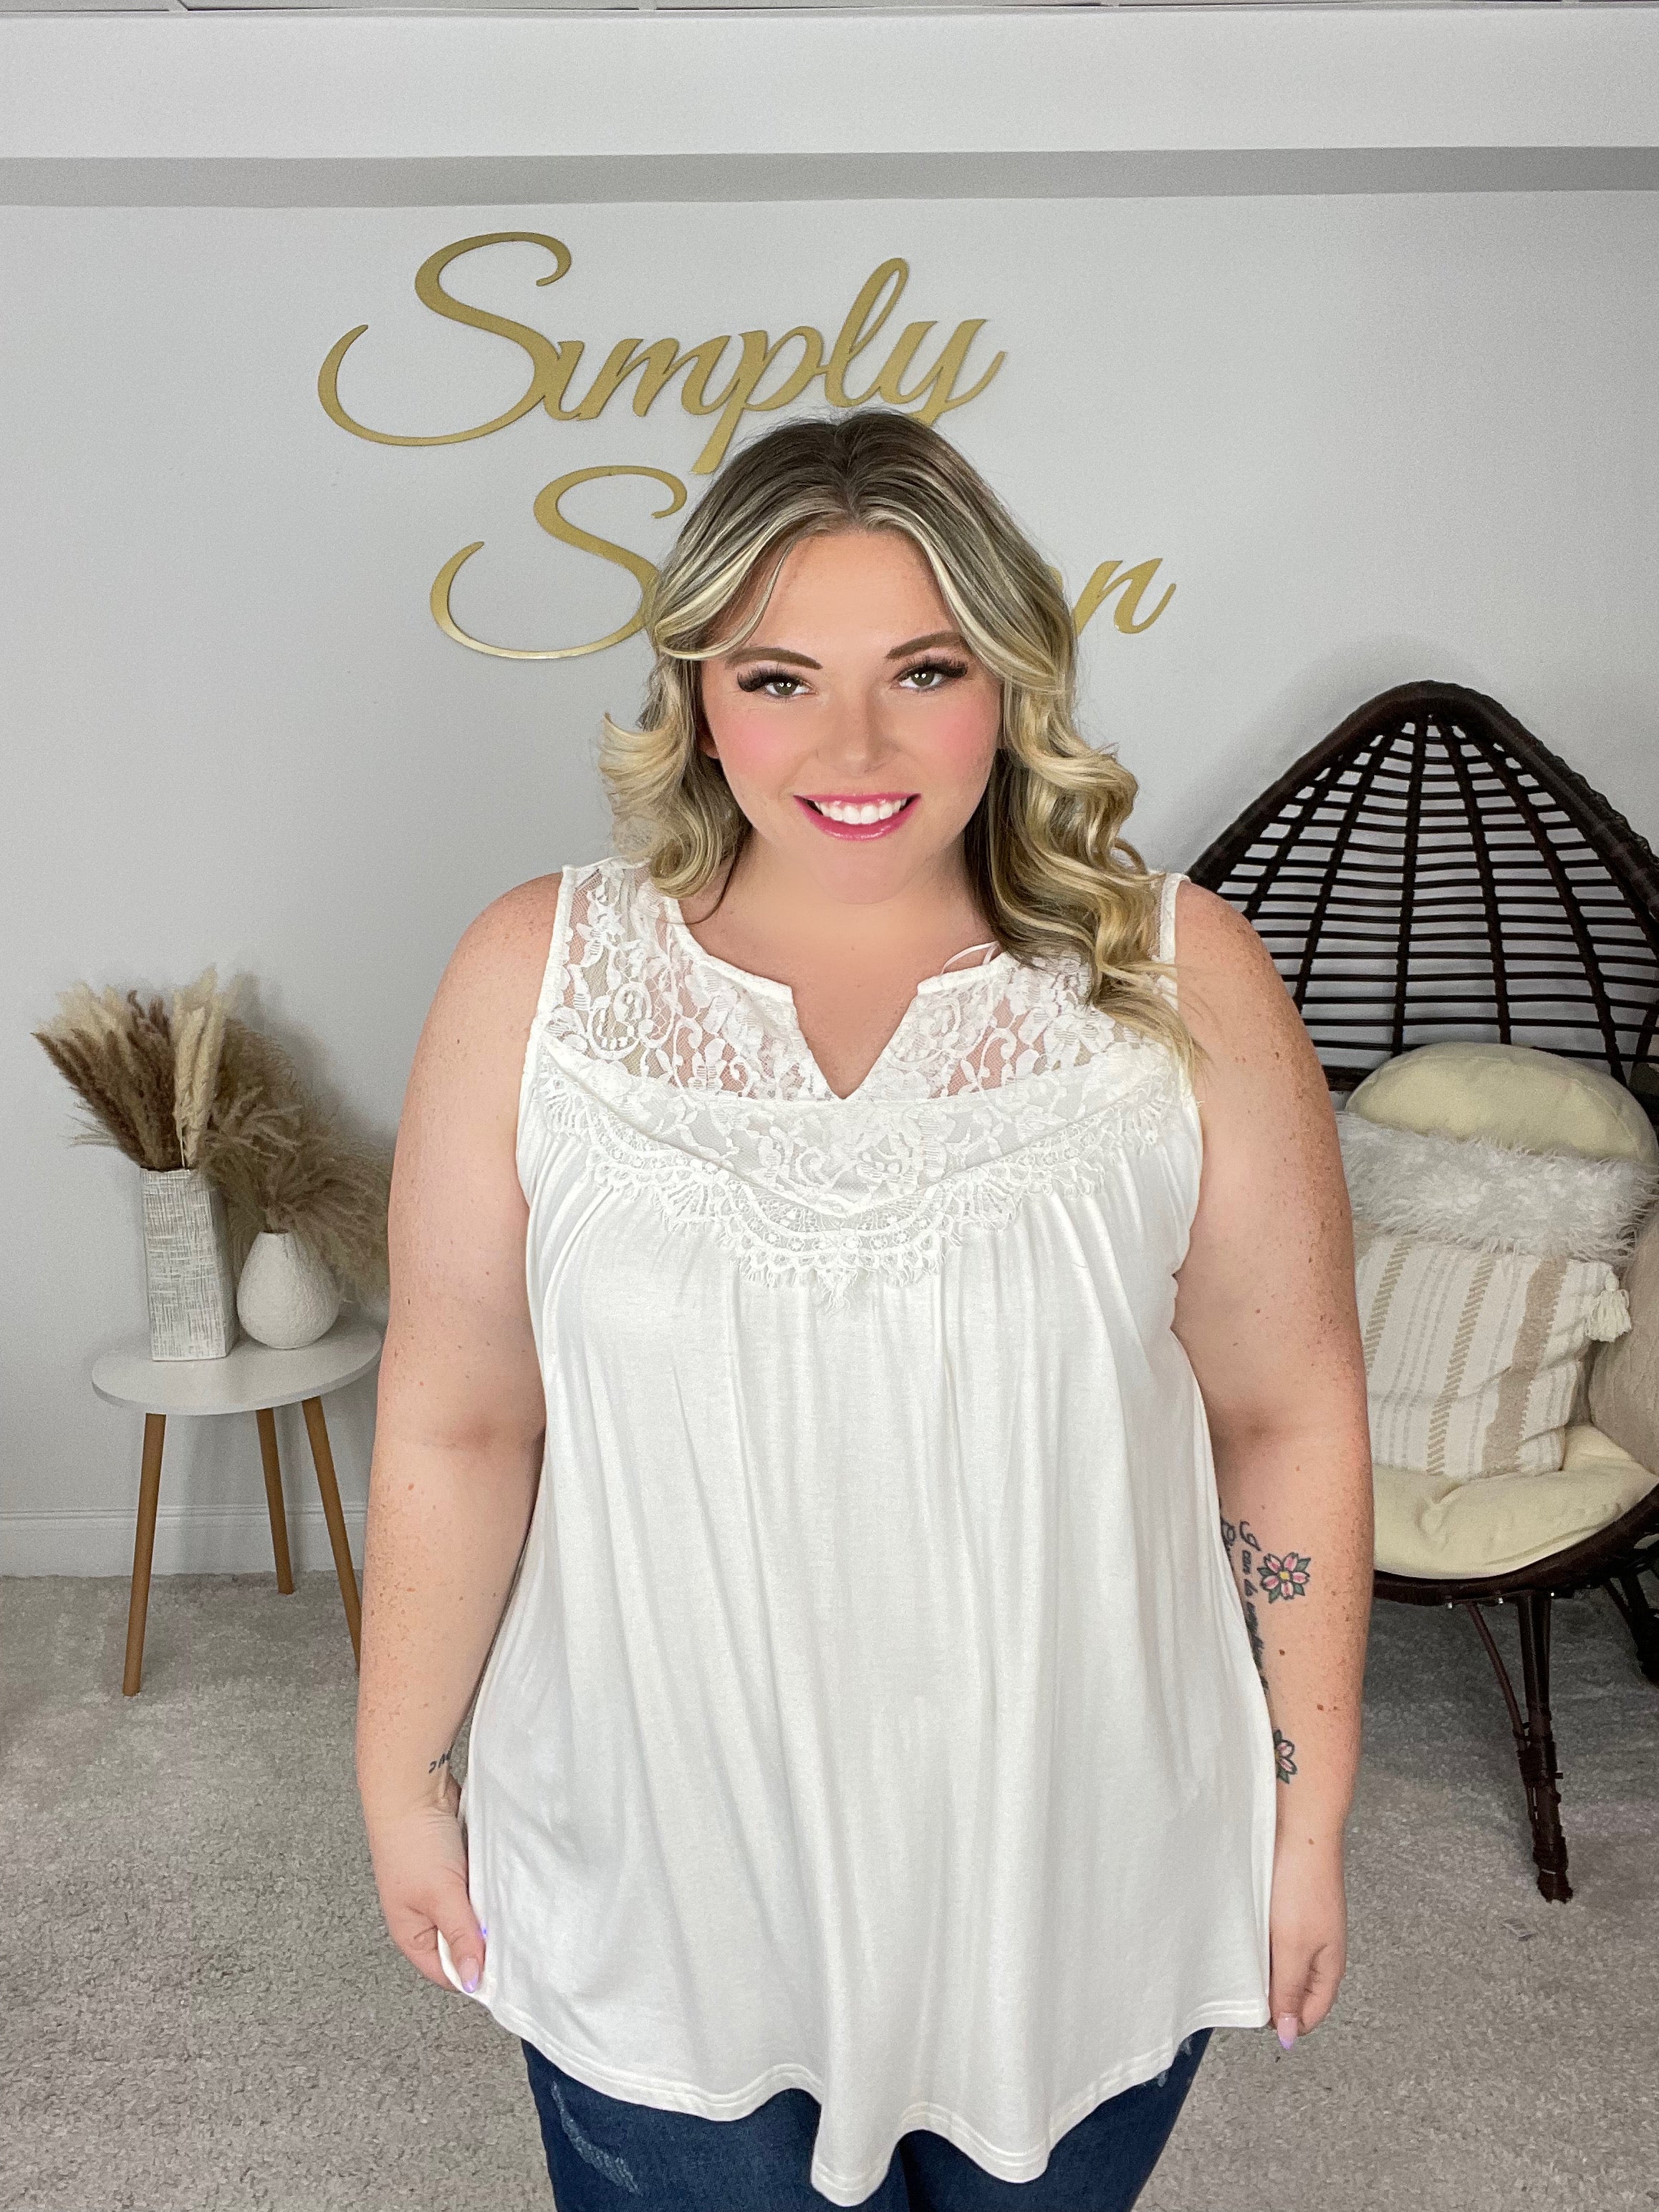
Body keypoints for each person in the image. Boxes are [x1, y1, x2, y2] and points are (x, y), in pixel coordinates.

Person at [355, 410, 1374, 2211]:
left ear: (1010, 679)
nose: (853, 748)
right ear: (698, 694)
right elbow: (463, 1416)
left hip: (1079, 1880)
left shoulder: (1177, 979)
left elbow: (1283, 1414)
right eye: (780, 677)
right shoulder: (537, 976)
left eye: (924, 669)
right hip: (661, 1887)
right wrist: (400, 1773)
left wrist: (1309, 1813)